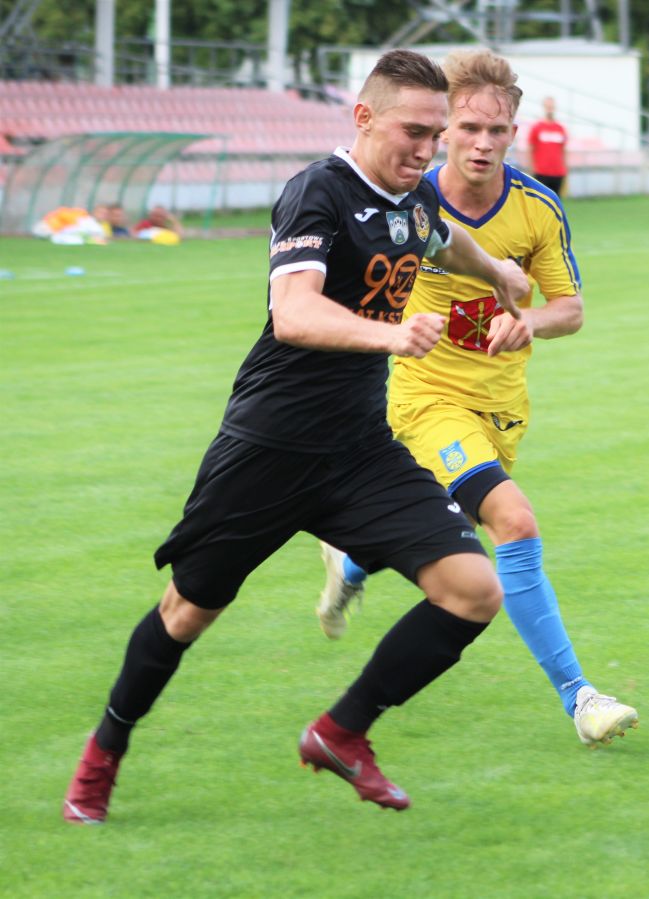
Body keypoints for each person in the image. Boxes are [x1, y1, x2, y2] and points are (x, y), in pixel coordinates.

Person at [62, 49, 531, 825]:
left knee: (474, 590)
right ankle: (104, 750)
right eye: (414, 132)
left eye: (436, 134)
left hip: (359, 452)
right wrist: (390, 337)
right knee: (187, 611)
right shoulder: (318, 191)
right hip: (269, 449)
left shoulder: (415, 198)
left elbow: (441, 237)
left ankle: (341, 732)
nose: (428, 149)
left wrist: (498, 273)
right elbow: (295, 312)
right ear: (364, 117)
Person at [315, 49, 639, 748]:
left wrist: (530, 322)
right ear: (444, 130)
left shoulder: (536, 209)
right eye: (468, 128)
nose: (483, 143)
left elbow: (570, 309)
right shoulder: (410, 197)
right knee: (512, 522)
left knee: (440, 521)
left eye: (497, 130)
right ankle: (581, 697)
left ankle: (349, 561)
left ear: (514, 132)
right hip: (425, 397)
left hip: (501, 406)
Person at [527, 96, 568, 195]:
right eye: (548, 107)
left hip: (558, 172)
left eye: (551, 107)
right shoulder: (537, 128)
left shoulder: (560, 128)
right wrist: (531, 168)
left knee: (556, 201)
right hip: (541, 172)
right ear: (544, 107)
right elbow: (530, 149)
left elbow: (564, 150)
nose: (550, 109)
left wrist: (566, 169)